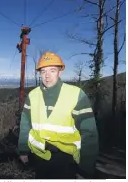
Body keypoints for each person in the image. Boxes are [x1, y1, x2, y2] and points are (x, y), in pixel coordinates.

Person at [17, 51, 99, 179]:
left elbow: (89, 133)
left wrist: (86, 168)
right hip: (40, 157)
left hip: (66, 160)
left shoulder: (76, 95)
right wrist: (23, 150)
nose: (47, 76)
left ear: (60, 72)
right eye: (43, 71)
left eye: (52, 70)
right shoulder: (33, 96)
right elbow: (25, 124)